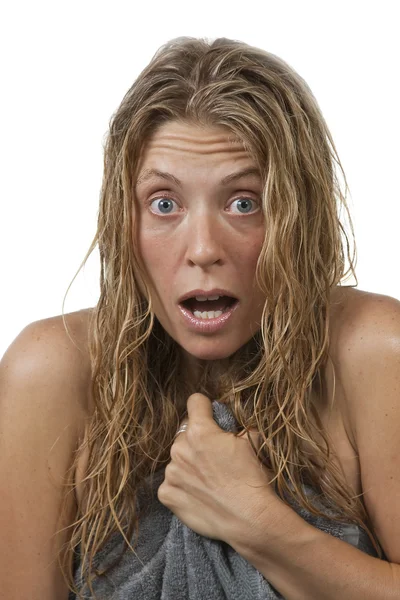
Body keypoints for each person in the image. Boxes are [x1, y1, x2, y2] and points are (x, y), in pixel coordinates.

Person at [1, 36, 399, 600]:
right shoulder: (50, 371)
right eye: (165, 203)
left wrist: (258, 523)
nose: (204, 248)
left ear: (298, 217)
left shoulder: (375, 350)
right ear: (124, 222)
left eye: (244, 201)